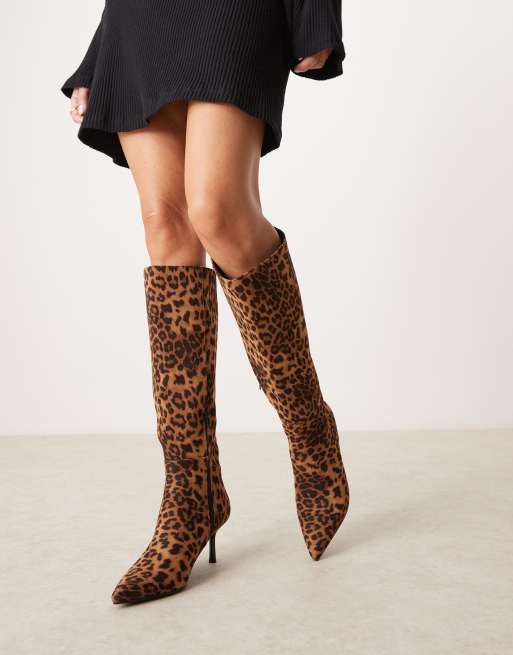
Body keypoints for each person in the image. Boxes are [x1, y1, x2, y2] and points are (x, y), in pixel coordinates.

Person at [61, 0, 350, 605]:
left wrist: (317, 11)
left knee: (217, 211)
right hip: (140, 18)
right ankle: (191, 495)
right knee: (165, 229)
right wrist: (97, 55)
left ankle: (309, 430)